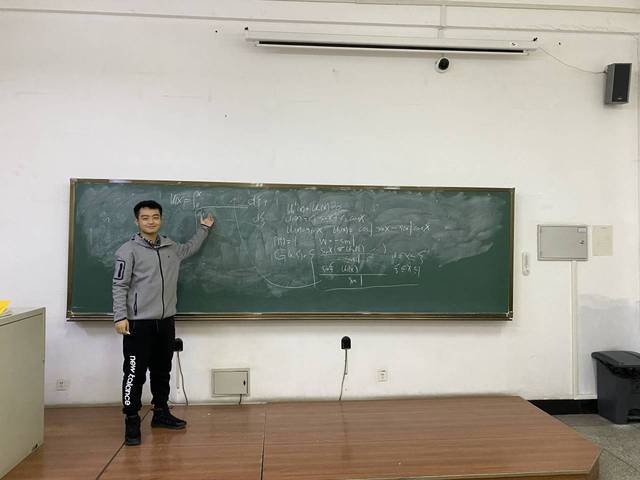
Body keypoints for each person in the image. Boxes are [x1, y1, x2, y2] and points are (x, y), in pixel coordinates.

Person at [112, 200, 214, 446]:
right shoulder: (127, 250)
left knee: (162, 370)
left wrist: (204, 229)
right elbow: (120, 285)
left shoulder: (171, 247)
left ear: (161, 219)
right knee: (135, 373)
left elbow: (190, 248)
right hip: (138, 324)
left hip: (166, 321)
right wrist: (120, 316)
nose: (151, 221)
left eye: (155, 217)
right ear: (137, 221)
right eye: (145, 217)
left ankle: (161, 413)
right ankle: (132, 420)